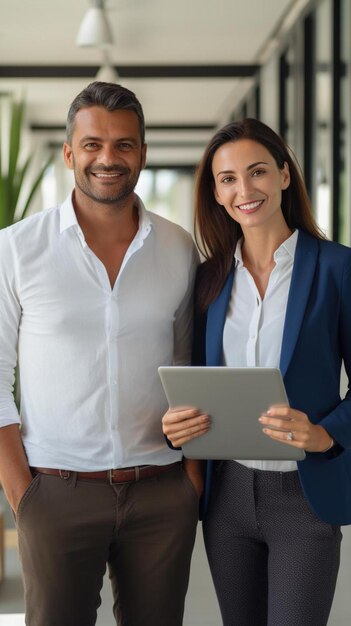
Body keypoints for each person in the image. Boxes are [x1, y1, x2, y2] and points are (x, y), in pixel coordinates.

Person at [0, 81, 201, 626]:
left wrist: (192, 481)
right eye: (92, 144)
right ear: (69, 153)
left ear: (142, 152)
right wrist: (25, 497)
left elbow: (189, 369)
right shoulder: (16, 249)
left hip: (161, 491)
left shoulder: (179, 247)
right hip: (55, 491)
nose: (107, 158)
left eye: (124, 144)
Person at [162, 118, 351, 626]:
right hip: (229, 498)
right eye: (227, 179)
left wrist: (324, 435)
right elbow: (200, 380)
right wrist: (178, 425)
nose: (244, 190)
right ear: (217, 193)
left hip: (304, 495)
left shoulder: (338, 269)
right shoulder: (210, 278)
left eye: (258, 172)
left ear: (285, 176)